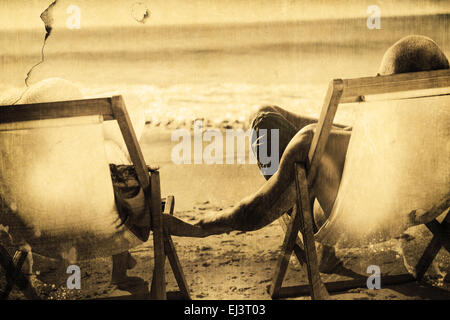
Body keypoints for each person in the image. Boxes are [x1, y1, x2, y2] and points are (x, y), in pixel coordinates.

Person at [193, 35, 450, 270]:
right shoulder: (438, 146)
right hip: (407, 206)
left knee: (265, 120)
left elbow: (255, 213)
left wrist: (204, 225)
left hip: (342, 223)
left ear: (381, 86)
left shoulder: (316, 142)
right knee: (276, 115)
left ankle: (324, 252)